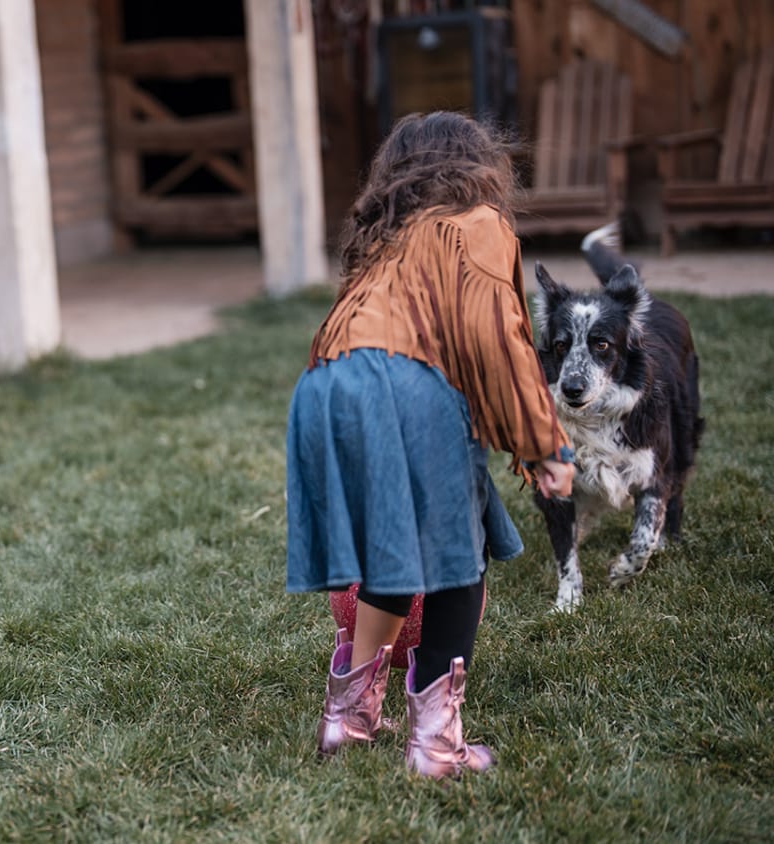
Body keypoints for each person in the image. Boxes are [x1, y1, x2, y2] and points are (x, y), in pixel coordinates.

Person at [285, 112, 575, 777]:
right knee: (455, 561)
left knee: (396, 555)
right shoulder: (477, 226)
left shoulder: (383, 235)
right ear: (479, 166)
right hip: (403, 388)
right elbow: (496, 340)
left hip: (324, 388)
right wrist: (543, 446)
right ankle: (436, 746)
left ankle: (347, 719)